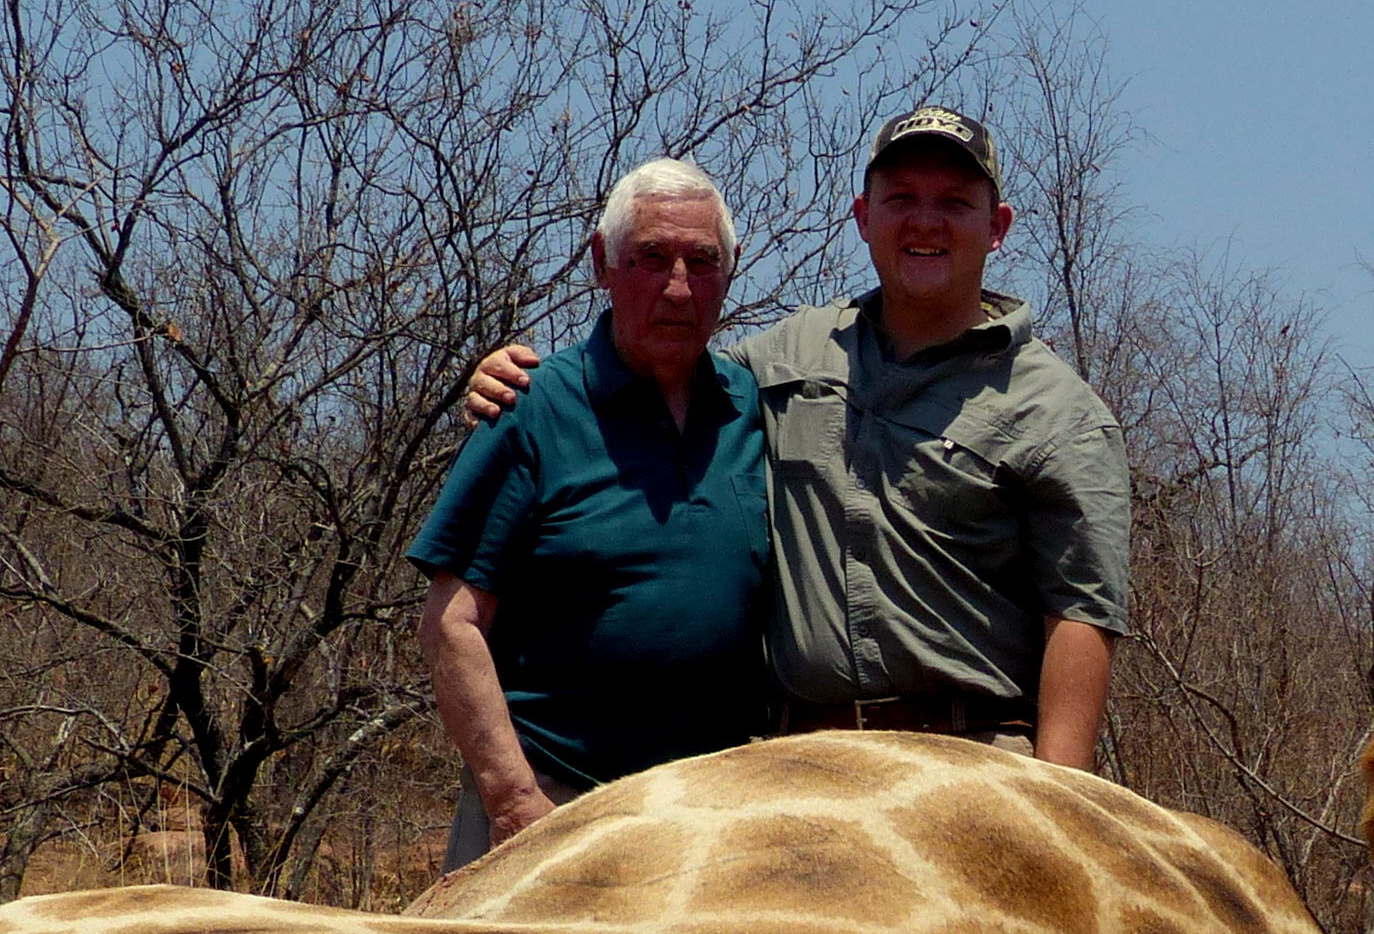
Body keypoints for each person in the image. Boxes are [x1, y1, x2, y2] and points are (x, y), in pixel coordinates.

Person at [470, 104, 1132, 766]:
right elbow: (656, 364)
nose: (924, 221)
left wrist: (1060, 795)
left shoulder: (1063, 414)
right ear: (863, 218)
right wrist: (525, 376)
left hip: (974, 755)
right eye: (900, 198)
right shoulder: (788, 356)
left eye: (954, 203)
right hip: (799, 759)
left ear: (998, 227)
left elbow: (1081, 615)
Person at [409, 160, 771, 869]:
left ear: (731, 272)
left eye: (702, 261)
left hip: (712, 822)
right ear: (601, 263)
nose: (677, 287)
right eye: (651, 258)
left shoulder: (755, 407)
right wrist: (512, 800)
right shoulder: (531, 408)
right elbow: (450, 623)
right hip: (553, 804)